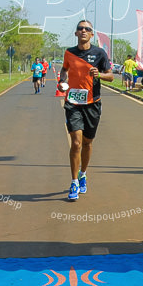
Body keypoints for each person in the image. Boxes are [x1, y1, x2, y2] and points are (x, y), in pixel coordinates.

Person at [59, 20, 114, 201]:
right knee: (76, 142)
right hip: (73, 103)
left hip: (92, 103)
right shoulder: (69, 53)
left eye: (87, 29)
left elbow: (111, 76)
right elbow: (64, 69)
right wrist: (62, 81)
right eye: (80, 28)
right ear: (76, 34)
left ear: (92, 34)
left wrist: (100, 75)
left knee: (88, 143)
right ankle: (74, 182)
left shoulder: (99, 53)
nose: (83, 31)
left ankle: (83, 174)